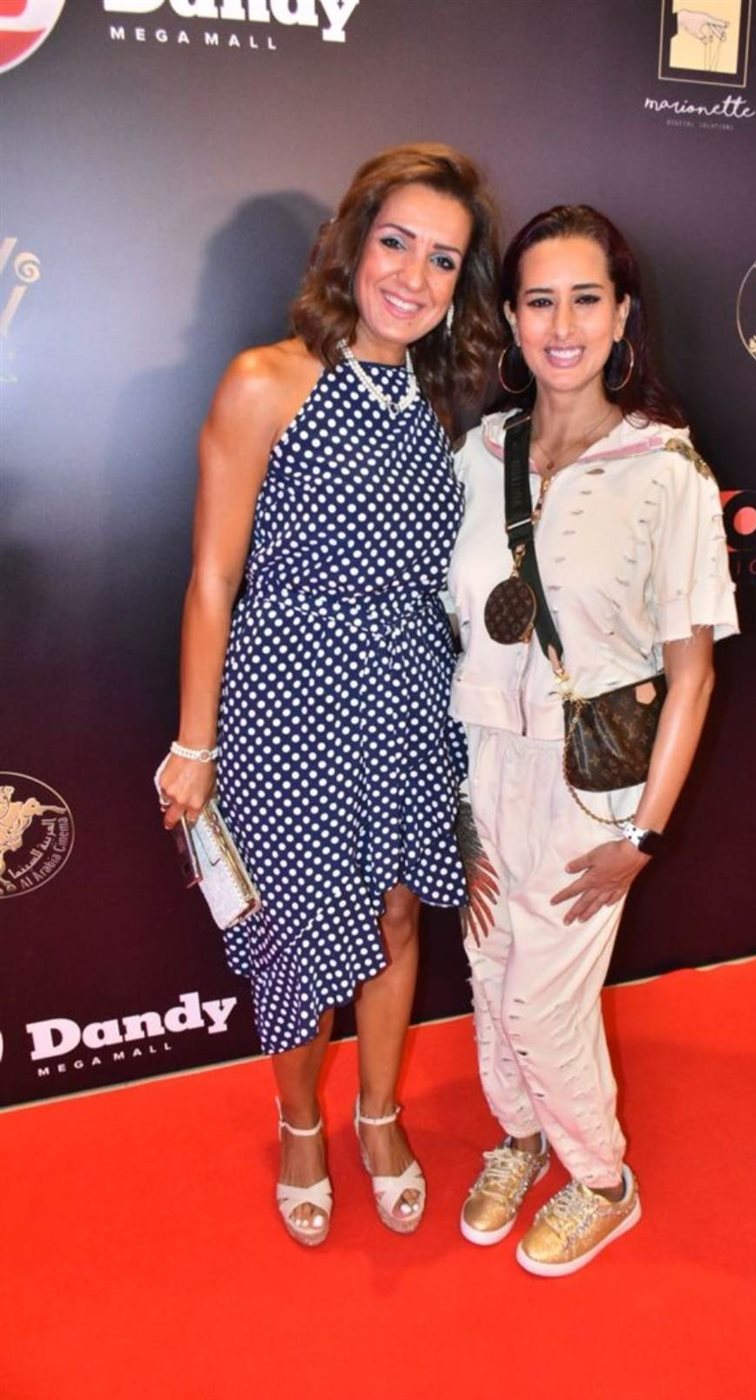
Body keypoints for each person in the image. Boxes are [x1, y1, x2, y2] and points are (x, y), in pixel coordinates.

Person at [158, 144, 502, 1246]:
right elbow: (213, 577)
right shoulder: (266, 380)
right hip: (285, 699)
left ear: (458, 284)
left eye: (442, 259)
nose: (412, 275)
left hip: (409, 692)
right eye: (396, 241)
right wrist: (194, 746)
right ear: (353, 242)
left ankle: (379, 1112)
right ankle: (301, 1121)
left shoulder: (440, 399)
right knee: (304, 931)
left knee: (396, 911)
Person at [448, 205, 739, 1276]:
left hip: (591, 784)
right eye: (539, 301)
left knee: (542, 1000)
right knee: (488, 971)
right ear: (511, 319)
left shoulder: (666, 470)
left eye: (585, 299)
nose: (561, 325)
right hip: (480, 762)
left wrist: (644, 836)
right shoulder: (478, 452)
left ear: (622, 317)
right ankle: (521, 1137)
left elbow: (692, 675)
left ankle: (604, 1179)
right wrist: (448, 804)